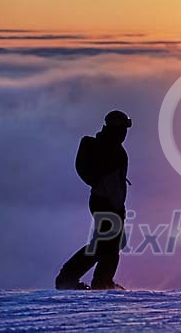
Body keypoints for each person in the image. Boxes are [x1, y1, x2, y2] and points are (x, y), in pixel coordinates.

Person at [55, 110, 132, 290]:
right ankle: (70, 277)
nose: (124, 133)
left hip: (111, 203)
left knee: (109, 244)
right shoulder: (102, 146)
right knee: (105, 244)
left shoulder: (115, 149)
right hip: (104, 201)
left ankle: (100, 281)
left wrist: (119, 205)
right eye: (122, 128)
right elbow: (87, 170)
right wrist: (99, 184)